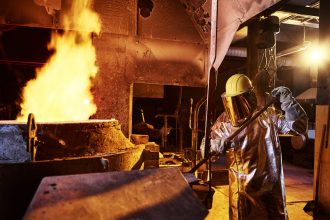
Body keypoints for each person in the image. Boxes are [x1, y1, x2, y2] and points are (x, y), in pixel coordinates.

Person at [201, 73, 308, 220]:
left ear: (250, 96)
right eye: (234, 101)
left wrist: (289, 103)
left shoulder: (268, 114)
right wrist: (213, 146)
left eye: (241, 100)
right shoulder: (224, 122)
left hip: (271, 190)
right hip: (243, 192)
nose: (238, 106)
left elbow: (299, 127)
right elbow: (205, 152)